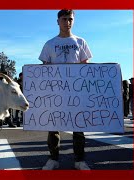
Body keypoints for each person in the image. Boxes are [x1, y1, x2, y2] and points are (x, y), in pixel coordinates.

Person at [39, 9, 93, 170]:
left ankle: (79, 160)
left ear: (73, 21)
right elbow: (45, 67)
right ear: (58, 21)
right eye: (64, 19)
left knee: (79, 126)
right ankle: (53, 158)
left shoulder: (80, 42)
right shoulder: (50, 44)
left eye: (70, 19)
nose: (67, 22)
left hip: (76, 91)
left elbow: (85, 66)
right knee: (53, 126)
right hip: (56, 91)